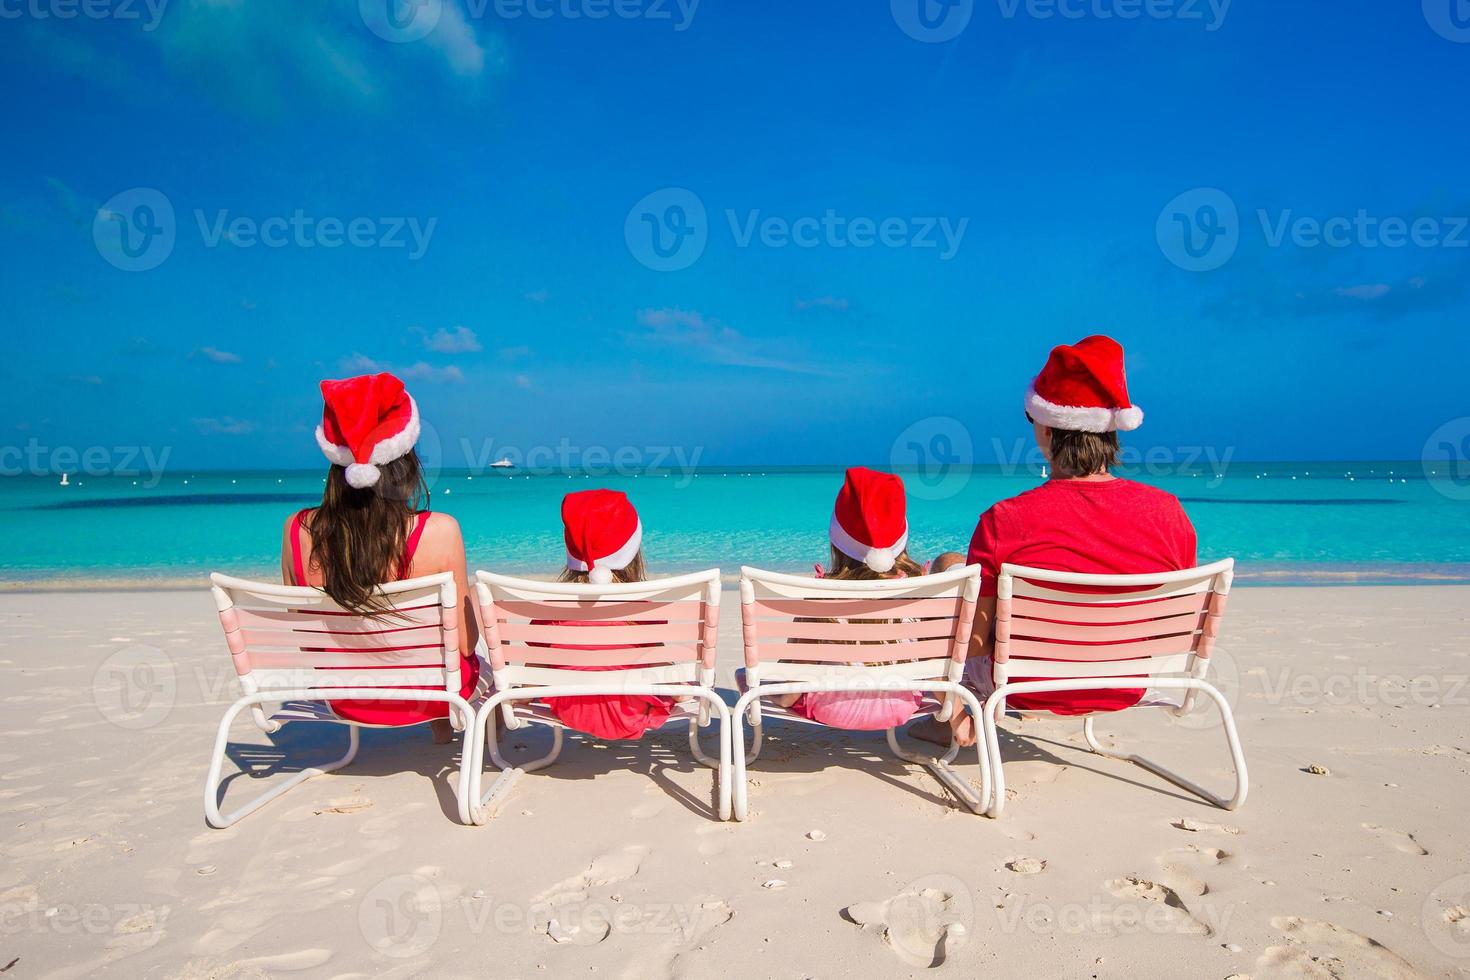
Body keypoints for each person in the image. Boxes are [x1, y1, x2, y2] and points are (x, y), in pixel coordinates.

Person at [912, 335, 1197, 747]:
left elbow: (974, 639)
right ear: (1112, 431)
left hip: (1025, 687)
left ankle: (949, 721)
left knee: (948, 566)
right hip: (1125, 682)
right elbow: (1173, 618)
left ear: (1046, 426)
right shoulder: (1168, 513)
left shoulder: (1004, 520)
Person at [281, 372, 480, 744]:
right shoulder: (439, 531)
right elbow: (466, 644)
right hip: (430, 694)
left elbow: (310, 639)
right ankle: (466, 735)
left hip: (345, 697)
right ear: (404, 460)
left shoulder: (297, 529)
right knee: (467, 656)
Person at [768, 467, 931, 731]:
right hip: (902, 704)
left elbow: (794, 686)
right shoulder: (920, 590)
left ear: (837, 540)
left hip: (834, 708)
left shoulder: (823, 599)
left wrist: (777, 693)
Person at [539, 489, 675, 740]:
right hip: (628, 711)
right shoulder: (639, 607)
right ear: (632, 549)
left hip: (570, 710)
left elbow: (539, 658)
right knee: (662, 664)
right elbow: (657, 657)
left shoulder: (553, 606)